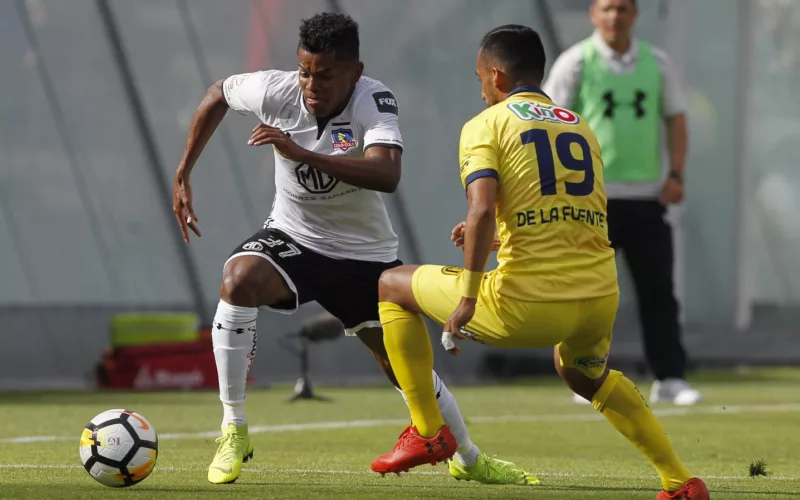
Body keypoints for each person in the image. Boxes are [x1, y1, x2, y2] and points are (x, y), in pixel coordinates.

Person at [172, 12, 534, 486]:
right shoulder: (274, 91)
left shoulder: (374, 100)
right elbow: (217, 92)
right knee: (237, 280)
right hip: (293, 237)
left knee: (403, 369)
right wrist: (184, 172)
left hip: (364, 256)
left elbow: (386, 174)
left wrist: (301, 154)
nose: (310, 84)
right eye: (304, 71)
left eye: (325, 74)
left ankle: (468, 455)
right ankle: (233, 428)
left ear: (355, 72)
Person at [371, 24, 710, 500]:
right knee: (583, 374)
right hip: (596, 299)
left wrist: (468, 296)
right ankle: (680, 481)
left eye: (480, 80)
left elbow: (483, 207)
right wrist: (495, 236)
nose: (482, 91)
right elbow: (576, 212)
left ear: (496, 76)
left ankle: (428, 431)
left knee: (391, 284)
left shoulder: (485, 124)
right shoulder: (578, 123)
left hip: (524, 307)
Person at [542, 0, 701, 406]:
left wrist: (676, 174)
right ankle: (583, 374)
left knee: (658, 290)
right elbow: (547, 122)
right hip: (590, 201)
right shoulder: (575, 62)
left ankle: (669, 377)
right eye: (608, 8)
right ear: (595, 14)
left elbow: (676, 118)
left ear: (635, 15)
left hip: (647, 198)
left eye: (624, 9)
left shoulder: (657, 63)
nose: (616, 17)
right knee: (588, 294)